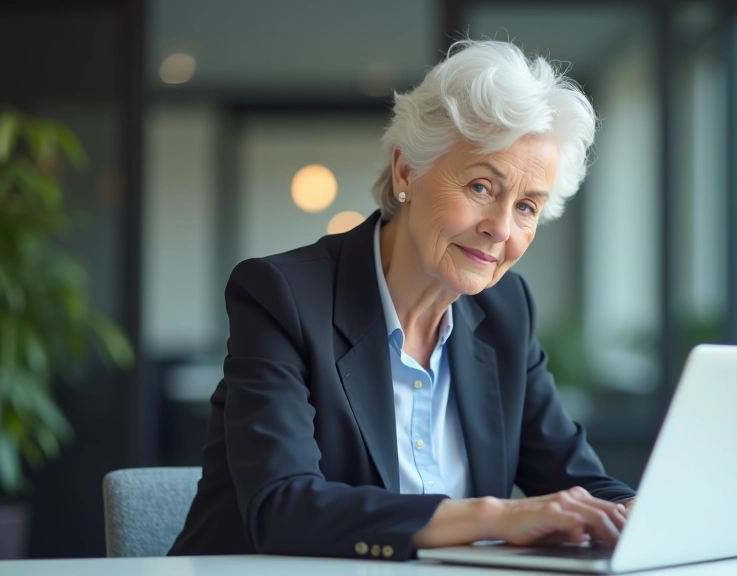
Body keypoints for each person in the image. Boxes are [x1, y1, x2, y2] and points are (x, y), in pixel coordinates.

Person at [169, 40, 635, 561]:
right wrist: (495, 516)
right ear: (406, 171)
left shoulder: (505, 311)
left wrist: (645, 512)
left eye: (527, 206)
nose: (500, 229)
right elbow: (283, 508)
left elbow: (580, 481)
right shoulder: (282, 297)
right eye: (482, 187)